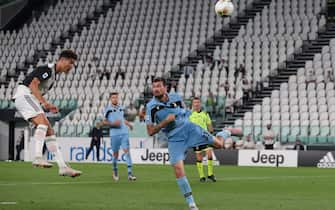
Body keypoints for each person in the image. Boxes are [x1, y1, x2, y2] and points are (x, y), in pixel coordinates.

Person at [145, 77, 242, 210]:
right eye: (154, 86)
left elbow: (185, 111)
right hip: (174, 139)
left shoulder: (176, 97)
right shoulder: (151, 107)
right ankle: (191, 203)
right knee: (178, 169)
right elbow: (150, 131)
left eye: (158, 86)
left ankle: (227, 131)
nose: (155, 89)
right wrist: (164, 122)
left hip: (190, 129)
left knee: (219, 144)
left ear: (165, 88)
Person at [12, 50, 81, 177]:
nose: (71, 66)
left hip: (29, 98)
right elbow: (33, 86)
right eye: (71, 63)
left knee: (49, 131)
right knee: (42, 124)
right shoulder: (48, 69)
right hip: (25, 95)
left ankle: (63, 167)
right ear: (62, 60)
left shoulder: (53, 75)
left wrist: (46, 104)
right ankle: (37, 157)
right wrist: (44, 104)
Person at [103, 92, 136, 181]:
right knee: (115, 154)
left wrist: (129, 124)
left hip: (124, 132)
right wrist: (113, 123)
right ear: (110, 99)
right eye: (113, 97)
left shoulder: (121, 108)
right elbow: (104, 122)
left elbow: (122, 119)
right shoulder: (107, 109)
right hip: (114, 134)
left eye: (116, 97)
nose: (115, 99)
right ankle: (115, 170)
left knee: (127, 151)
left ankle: (130, 173)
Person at [189, 97, 216, 182]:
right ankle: (201, 176)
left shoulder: (205, 113)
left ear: (200, 104)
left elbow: (209, 125)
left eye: (197, 102)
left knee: (209, 154)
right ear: (192, 104)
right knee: (199, 157)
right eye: (194, 103)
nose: (196, 104)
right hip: (195, 139)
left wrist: (211, 133)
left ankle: (210, 174)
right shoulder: (190, 115)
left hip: (205, 137)